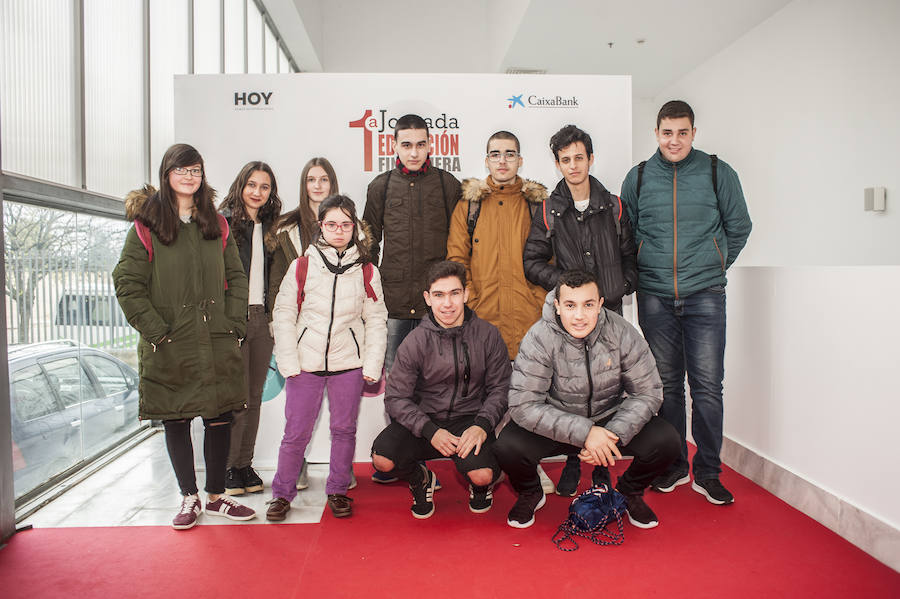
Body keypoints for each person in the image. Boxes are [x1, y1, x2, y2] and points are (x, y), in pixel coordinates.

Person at [113, 143, 255, 530]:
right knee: (176, 419)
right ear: (166, 174)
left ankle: (215, 497)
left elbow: (237, 278)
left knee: (219, 416)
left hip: (216, 336)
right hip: (171, 341)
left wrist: (234, 323)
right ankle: (188, 496)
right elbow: (127, 283)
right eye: (181, 170)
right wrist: (158, 331)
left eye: (195, 170)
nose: (189, 177)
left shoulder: (217, 223)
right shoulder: (147, 225)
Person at [621, 100, 751, 505]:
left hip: (705, 295)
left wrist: (713, 265)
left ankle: (709, 472)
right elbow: (627, 234)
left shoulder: (717, 171)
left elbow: (739, 226)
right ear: (656, 133)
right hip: (655, 295)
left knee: (709, 387)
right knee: (668, 388)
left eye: (682, 132)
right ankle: (675, 465)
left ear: (694, 133)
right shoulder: (638, 176)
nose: (674, 140)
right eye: (667, 132)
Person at [493, 270, 679, 529]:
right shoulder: (539, 338)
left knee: (667, 441)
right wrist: (586, 433)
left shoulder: (622, 332)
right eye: (570, 305)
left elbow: (648, 392)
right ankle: (530, 493)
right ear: (557, 306)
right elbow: (523, 405)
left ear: (600, 304)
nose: (579, 315)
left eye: (588, 305)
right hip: (557, 419)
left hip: (609, 417)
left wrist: (611, 434)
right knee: (507, 446)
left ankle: (628, 491)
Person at [522, 124, 639, 496]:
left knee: (608, 387)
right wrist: (567, 287)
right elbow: (532, 261)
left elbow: (629, 254)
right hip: (570, 317)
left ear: (590, 158)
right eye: (565, 160)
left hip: (610, 311)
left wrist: (623, 284)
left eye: (579, 158)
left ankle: (603, 465)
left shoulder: (615, 205)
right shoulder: (548, 210)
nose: (573, 166)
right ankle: (575, 457)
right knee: (572, 388)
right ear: (557, 164)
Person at [267, 195, 388, 520]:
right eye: (332, 224)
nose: (339, 230)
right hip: (305, 364)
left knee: (344, 430)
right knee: (296, 433)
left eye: (345, 224)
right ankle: (281, 494)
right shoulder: (301, 266)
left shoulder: (366, 270)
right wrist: (289, 362)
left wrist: (372, 364)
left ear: (354, 228)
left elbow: (376, 320)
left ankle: (337, 490)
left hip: (348, 363)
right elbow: (284, 315)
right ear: (321, 226)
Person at [363, 114, 461, 484]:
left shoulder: (447, 184)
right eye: (407, 144)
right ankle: (403, 459)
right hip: (393, 305)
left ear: (430, 145)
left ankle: (433, 454)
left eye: (421, 143)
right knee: (399, 387)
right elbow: (368, 246)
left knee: (438, 384)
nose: (414, 151)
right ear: (394, 146)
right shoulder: (381, 187)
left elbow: (459, 244)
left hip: (438, 308)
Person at [371, 261, 510, 519]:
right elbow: (396, 398)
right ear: (427, 298)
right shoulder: (415, 341)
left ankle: (481, 487)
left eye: (454, 294)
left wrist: (482, 424)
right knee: (383, 459)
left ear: (466, 294)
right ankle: (420, 478)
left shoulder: (488, 335)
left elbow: (501, 389)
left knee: (482, 475)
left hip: (469, 422)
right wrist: (429, 430)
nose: (447, 304)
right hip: (425, 423)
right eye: (439, 295)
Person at [268, 157, 347, 491]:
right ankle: (295, 466)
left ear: (332, 185)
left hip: (338, 329)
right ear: (303, 185)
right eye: (311, 179)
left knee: (342, 414)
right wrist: (278, 325)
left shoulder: (349, 224)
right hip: (299, 330)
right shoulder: (285, 228)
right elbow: (275, 283)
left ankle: (341, 470)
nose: (317, 185)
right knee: (299, 411)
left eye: (324, 179)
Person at [446, 130, 547, 360]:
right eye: (495, 154)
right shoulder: (469, 206)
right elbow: (457, 260)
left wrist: (538, 301)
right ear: (486, 161)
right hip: (482, 321)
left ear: (520, 161)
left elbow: (550, 261)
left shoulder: (537, 206)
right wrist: (472, 302)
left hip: (529, 323)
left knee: (528, 395)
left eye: (509, 154)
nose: (502, 161)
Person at [218, 161, 282, 496]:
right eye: (252, 185)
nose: (257, 192)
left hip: (262, 319)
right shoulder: (224, 223)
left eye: (265, 187)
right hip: (234, 319)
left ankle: (245, 464)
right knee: (236, 399)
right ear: (241, 185)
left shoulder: (270, 227)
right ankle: (229, 468)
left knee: (255, 397)